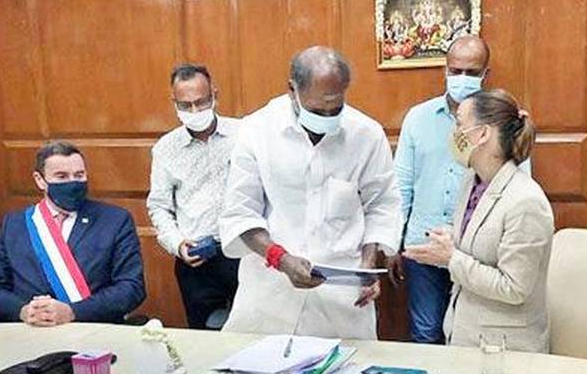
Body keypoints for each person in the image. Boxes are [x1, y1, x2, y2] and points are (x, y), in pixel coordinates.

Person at [219, 46, 402, 340]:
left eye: (336, 109)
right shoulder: (257, 130)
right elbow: (241, 212)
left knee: (345, 368)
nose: (327, 116)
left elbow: (382, 205)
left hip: (341, 296)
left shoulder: (366, 134)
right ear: (292, 90)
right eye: (317, 111)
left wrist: (367, 267)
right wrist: (280, 259)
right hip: (270, 291)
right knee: (258, 363)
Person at [392, 35, 531, 344]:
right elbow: (401, 185)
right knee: (426, 333)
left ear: (486, 74)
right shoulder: (418, 118)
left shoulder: (506, 124)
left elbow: (516, 188)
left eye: (471, 72)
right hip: (424, 245)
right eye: (456, 71)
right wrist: (392, 243)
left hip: (477, 251)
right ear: (445, 69)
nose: (462, 78)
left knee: (468, 334)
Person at [403, 89, 554, 353]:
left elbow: (514, 287)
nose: (454, 133)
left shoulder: (526, 201)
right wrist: (449, 238)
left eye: (460, 124)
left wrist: (451, 258)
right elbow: (481, 240)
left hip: (505, 350)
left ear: (483, 134)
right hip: (466, 337)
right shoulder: (472, 181)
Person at [0, 141, 146, 326]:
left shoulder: (115, 220)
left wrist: (73, 312)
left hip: (92, 329)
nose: (72, 182)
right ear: (40, 180)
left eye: (79, 175)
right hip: (30, 331)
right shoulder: (15, 224)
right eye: (61, 176)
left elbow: (132, 288)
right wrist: (24, 311)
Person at [147, 64, 240, 329]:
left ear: (215, 96)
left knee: (252, 333)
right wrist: (177, 244)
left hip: (244, 252)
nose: (195, 111)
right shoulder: (166, 148)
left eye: (201, 102)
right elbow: (159, 206)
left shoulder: (244, 134)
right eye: (186, 105)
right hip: (197, 261)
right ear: (174, 103)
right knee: (204, 336)